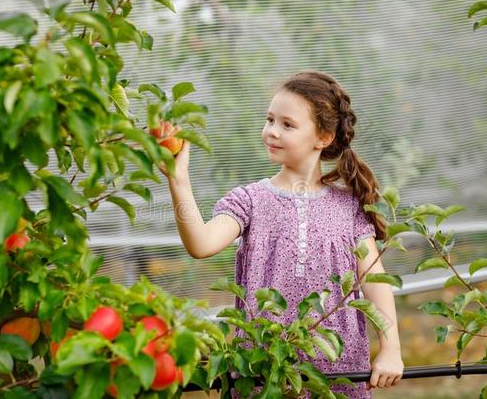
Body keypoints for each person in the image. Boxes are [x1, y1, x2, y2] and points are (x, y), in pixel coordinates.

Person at [159, 69, 404, 398]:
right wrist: (179, 181)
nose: (272, 131)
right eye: (270, 119)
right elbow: (201, 244)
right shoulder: (250, 201)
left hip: (338, 378)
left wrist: (391, 348)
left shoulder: (348, 208)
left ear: (324, 137)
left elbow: (374, 279)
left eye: (287, 125)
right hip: (263, 376)